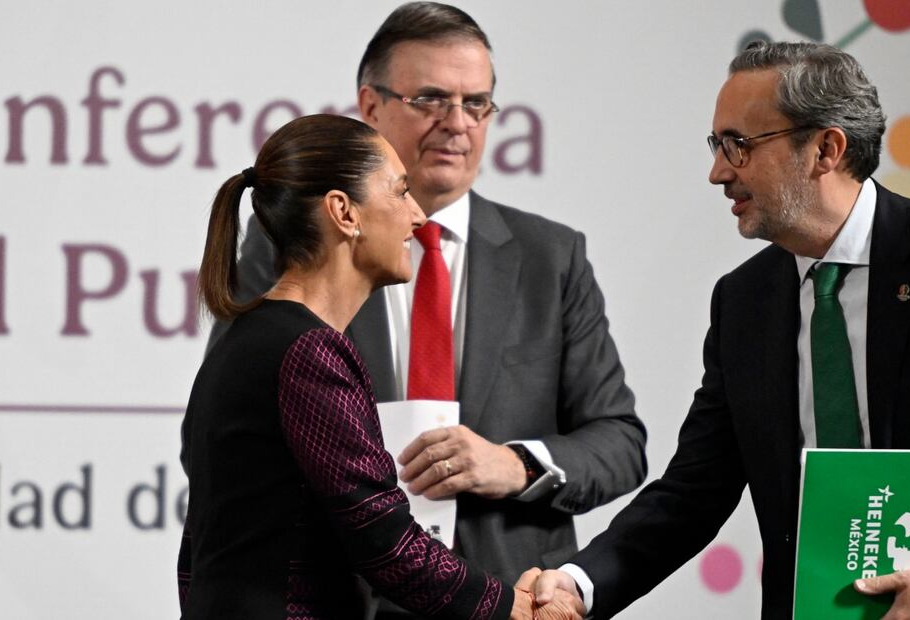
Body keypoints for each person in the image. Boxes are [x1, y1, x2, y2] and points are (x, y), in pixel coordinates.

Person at [200, 2, 647, 612]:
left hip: (504, 586)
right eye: (431, 99)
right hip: (351, 597)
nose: (457, 123)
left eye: (477, 103)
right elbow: (231, 443)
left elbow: (619, 442)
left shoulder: (553, 257)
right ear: (371, 107)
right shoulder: (285, 252)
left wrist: (512, 463)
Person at [528, 41, 910, 619]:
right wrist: (578, 582)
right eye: (717, 146)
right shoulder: (743, 301)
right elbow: (696, 488)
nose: (718, 172)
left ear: (825, 148)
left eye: (738, 145)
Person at [177, 113, 581, 619]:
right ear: (344, 212)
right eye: (399, 191)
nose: (417, 215)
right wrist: (510, 609)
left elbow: (197, 552)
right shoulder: (309, 351)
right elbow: (383, 537)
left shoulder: (248, 338)